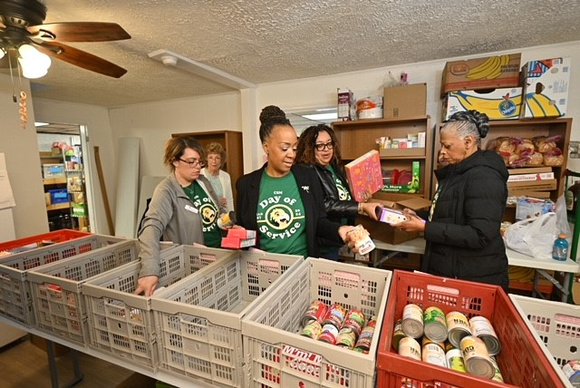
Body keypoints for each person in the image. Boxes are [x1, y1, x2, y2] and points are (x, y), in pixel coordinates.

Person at [396, 110, 509, 290]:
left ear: (468, 142)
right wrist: (418, 215)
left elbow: (480, 234)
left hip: (472, 276)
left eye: (447, 146)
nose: (442, 152)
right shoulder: (457, 172)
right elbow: (450, 214)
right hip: (451, 268)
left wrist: (425, 227)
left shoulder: (485, 177)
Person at [236, 105, 363, 258]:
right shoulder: (246, 184)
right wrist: (236, 233)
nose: (291, 155)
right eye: (284, 148)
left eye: (294, 148)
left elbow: (319, 221)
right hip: (264, 268)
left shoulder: (307, 177)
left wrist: (340, 230)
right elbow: (244, 230)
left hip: (303, 265)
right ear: (266, 147)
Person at [136, 136, 227, 296]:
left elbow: (217, 209)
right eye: (191, 162)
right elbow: (151, 228)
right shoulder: (166, 191)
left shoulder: (202, 181)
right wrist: (149, 270)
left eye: (199, 162)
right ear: (175, 161)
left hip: (216, 256)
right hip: (193, 266)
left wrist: (226, 221)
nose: (197, 167)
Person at [295, 124, 380, 260]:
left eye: (329, 144)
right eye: (320, 146)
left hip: (337, 239)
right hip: (322, 243)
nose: (327, 150)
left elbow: (340, 196)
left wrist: (359, 199)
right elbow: (323, 205)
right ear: (310, 148)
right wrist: (360, 207)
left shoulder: (332, 167)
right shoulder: (306, 172)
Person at [201, 142, 235, 212]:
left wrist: (231, 217)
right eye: (210, 157)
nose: (214, 161)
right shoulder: (199, 175)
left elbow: (229, 199)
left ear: (221, 160)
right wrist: (217, 203)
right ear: (206, 159)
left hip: (223, 216)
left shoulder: (226, 176)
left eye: (217, 158)